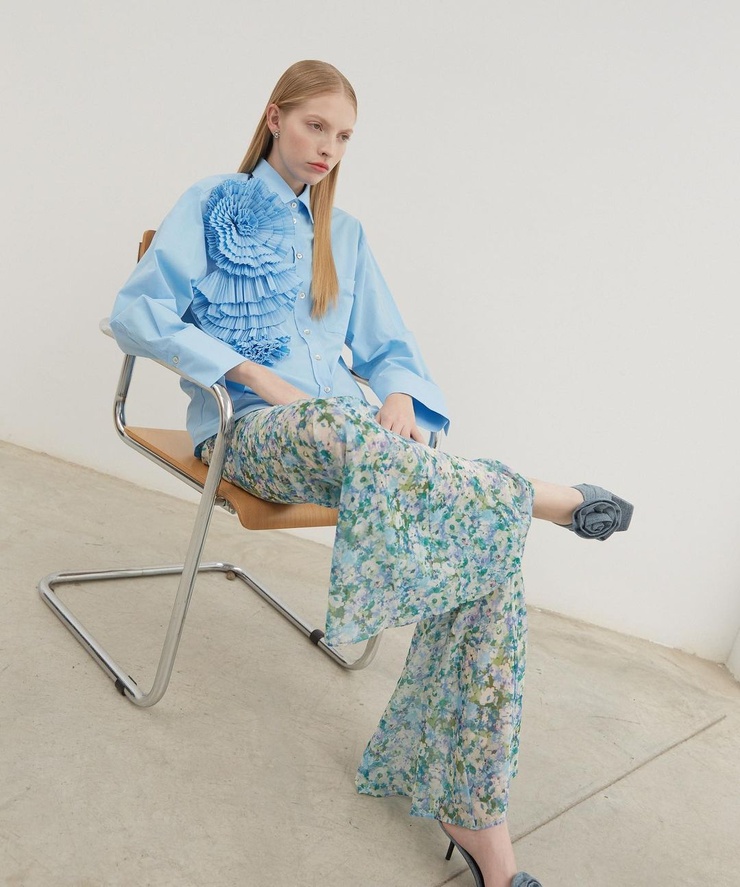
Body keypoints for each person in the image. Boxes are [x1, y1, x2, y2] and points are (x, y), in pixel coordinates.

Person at [110, 59, 633, 887]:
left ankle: (479, 820)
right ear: (275, 118)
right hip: (249, 437)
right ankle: (544, 496)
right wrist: (250, 372)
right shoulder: (212, 202)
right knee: (355, 434)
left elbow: (393, 351)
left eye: (345, 136)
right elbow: (137, 311)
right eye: (315, 125)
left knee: (487, 547)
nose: (329, 147)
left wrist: (396, 395)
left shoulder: (344, 236)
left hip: (354, 443)